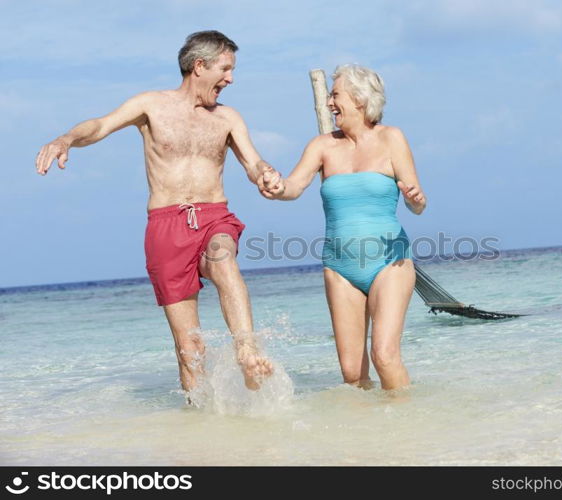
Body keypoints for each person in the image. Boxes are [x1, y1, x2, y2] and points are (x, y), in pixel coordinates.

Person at [35, 30, 273, 395]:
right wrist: (66, 138)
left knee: (223, 260)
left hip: (213, 214)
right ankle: (201, 432)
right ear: (200, 66)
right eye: (225, 69)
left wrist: (265, 176)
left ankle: (247, 352)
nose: (230, 78)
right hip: (166, 224)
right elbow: (99, 125)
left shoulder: (228, 118)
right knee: (189, 348)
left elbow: (253, 163)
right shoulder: (151, 105)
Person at [260, 64, 426, 390]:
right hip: (340, 268)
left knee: (384, 355)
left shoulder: (392, 138)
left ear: (360, 99)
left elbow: (417, 205)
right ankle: (365, 439)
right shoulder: (322, 146)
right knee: (352, 374)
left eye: (335, 95)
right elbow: (294, 186)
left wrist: (415, 198)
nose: (329, 103)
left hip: (389, 262)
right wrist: (277, 187)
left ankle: (408, 432)